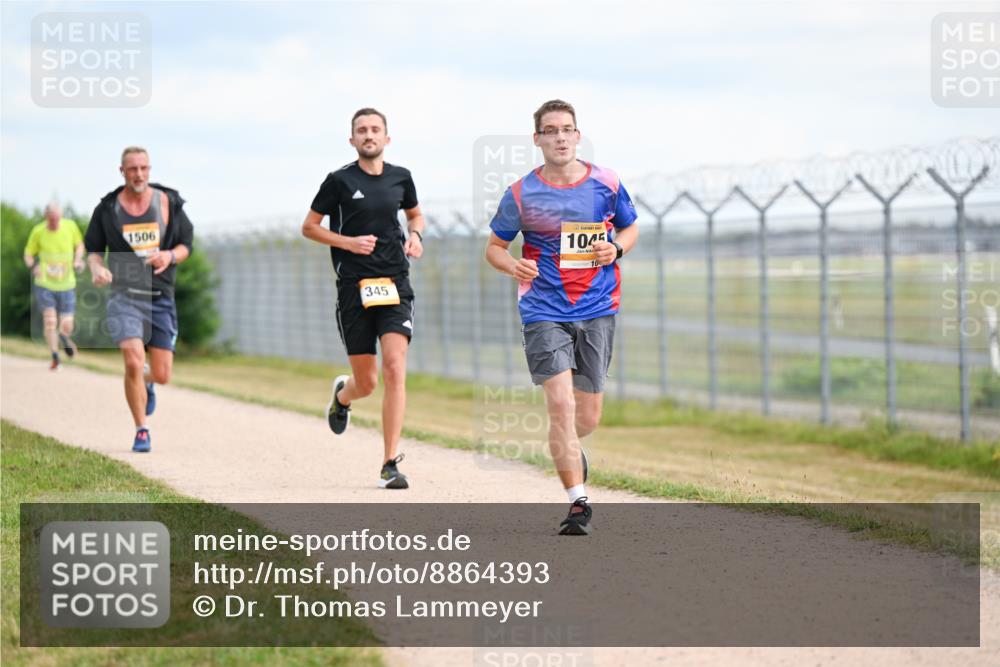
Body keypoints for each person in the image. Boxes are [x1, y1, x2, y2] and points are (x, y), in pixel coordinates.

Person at [485, 100, 639, 535]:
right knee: (560, 404)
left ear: (577, 135)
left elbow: (631, 228)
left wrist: (617, 248)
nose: (559, 137)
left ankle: (569, 446)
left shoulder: (606, 183)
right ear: (537, 139)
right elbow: (494, 247)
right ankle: (578, 503)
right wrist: (512, 264)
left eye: (566, 129)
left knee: (585, 419)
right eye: (549, 130)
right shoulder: (521, 193)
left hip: (597, 307)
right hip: (543, 309)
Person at [302, 107, 426, 489]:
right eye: (361, 130)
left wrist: (416, 236)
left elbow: (416, 215)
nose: (369, 135)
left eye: (375, 130)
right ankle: (343, 397)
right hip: (354, 287)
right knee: (367, 383)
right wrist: (348, 242)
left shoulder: (401, 177)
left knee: (394, 366)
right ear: (352, 140)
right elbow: (309, 227)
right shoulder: (338, 181)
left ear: (387, 139)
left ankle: (390, 462)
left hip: (394, 284)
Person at [85, 146, 194, 453]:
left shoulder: (168, 202)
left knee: (162, 374)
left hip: (160, 295)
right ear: (122, 172)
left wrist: (170, 255)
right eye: (133, 169)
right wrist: (97, 268)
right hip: (124, 295)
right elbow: (93, 248)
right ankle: (141, 428)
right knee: (133, 360)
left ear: (150, 169)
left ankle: (148, 382)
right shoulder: (107, 209)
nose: (139, 174)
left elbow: (187, 244)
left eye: (144, 168)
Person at [23, 203, 84, 370]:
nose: (54, 223)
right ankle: (55, 356)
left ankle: (64, 337)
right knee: (50, 320)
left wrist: (77, 260)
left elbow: (79, 245)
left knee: (67, 324)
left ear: (61, 217)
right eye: (51, 219)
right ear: (46, 217)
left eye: (57, 219)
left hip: (67, 283)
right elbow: (28, 254)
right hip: (45, 283)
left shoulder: (70, 227)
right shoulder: (38, 231)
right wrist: (33, 267)